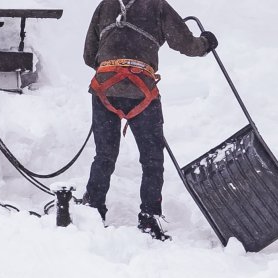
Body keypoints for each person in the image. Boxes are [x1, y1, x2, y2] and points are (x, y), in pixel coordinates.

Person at [81, 0, 218, 241]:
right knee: (152, 160)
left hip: (104, 89)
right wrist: (205, 43)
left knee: (104, 155)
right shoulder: (156, 5)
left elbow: (88, 55)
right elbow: (185, 43)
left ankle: (93, 209)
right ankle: (149, 217)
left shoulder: (105, 5)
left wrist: (113, 63)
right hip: (141, 91)